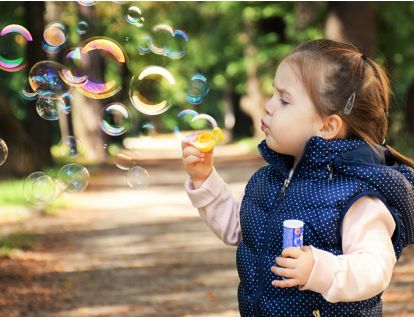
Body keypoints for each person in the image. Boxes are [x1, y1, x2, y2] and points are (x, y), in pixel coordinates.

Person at [181, 39, 414, 316]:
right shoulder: (268, 180)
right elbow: (238, 227)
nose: (268, 106)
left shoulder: (356, 196)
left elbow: (375, 267)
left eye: (284, 99)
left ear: (328, 126)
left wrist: (320, 269)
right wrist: (205, 178)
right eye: (272, 94)